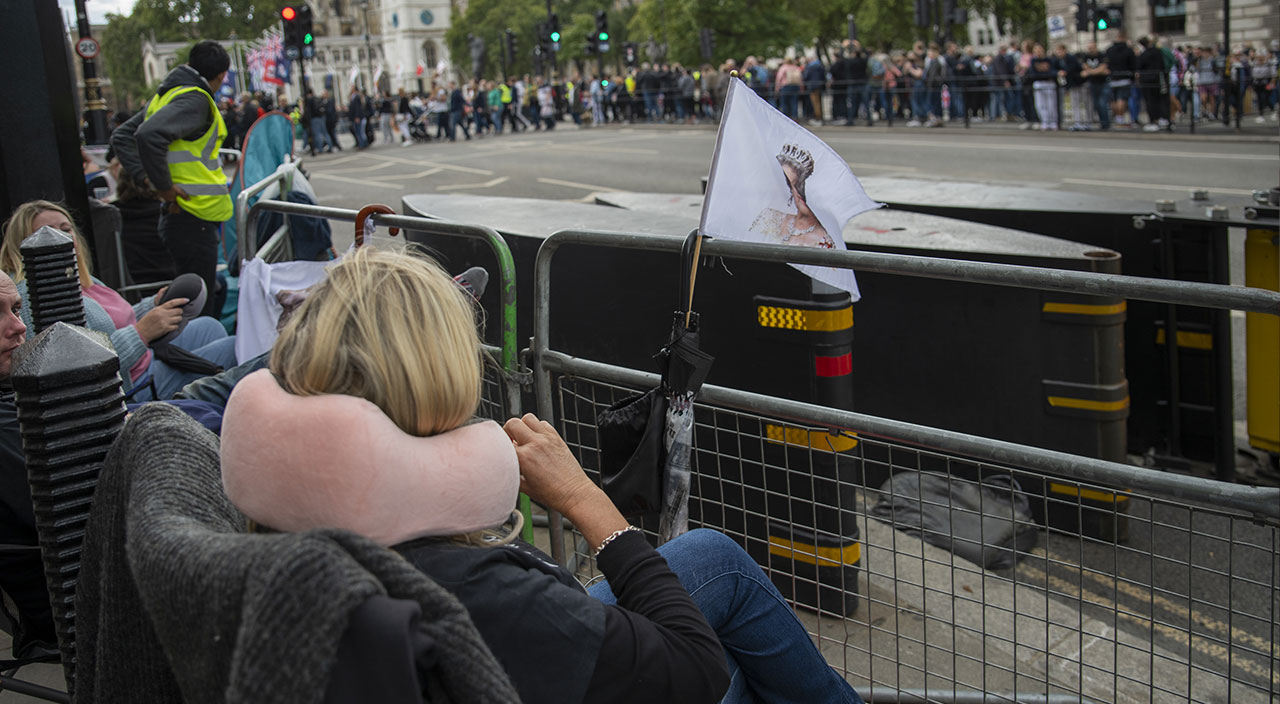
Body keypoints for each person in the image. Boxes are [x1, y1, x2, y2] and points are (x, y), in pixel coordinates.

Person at [219, 247, 863, 704]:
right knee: (735, 672)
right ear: (439, 379)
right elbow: (691, 669)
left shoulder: (267, 510)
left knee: (713, 557)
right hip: (534, 655)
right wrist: (586, 500)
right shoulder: (485, 593)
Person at [1, 201, 237, 400]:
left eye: (66, 229)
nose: (60, 238)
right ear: (24, 244)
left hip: (141, 356)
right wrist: (141, 333)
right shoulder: (37, 295)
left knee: (210, 326)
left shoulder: (76, 277)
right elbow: (77, 368)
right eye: (48, 232)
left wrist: (151, 306)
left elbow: (111, 321)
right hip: (127, 383)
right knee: (233, 347)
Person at [110, 39, 232, 318]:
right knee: (199, 308)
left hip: (185, 217)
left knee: (200, 296)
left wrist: (145, 178)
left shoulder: (167, 96)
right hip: (191, 215)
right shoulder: (195, 99)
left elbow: (123, 135)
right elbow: (146, 135)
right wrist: (162, 186)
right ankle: (202, 356)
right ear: (221, 76)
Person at [0, 270, 53, 660]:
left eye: (16, 309)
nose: (18, 327)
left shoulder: (12, 391)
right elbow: (86, 510)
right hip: (74, 602)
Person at [748, 144, 836, 250]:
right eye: (789, 184)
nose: (798, 191)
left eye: (800, 184)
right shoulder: (768, 219)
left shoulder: (825, 242)